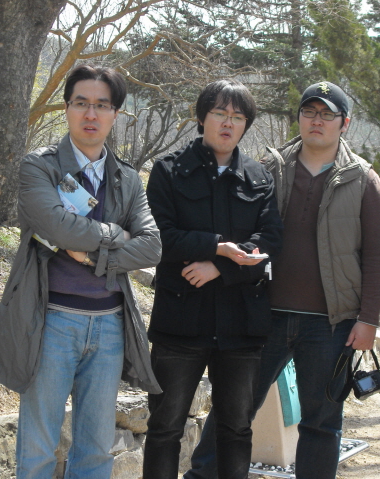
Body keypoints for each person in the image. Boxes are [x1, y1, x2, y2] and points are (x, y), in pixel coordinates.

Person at [185, 81, 380, 479]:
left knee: (321, 423)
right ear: (299, 117)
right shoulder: (270, 168)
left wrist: (368, 320)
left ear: (344, 123)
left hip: (331, 324)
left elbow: (377, 256)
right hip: (264, 314)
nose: (317, 120)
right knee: (233, 409)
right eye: (309, 111)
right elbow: (241, 231)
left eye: (327, 114)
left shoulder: (364, 180)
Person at [0, 64, 162, 479]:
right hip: (51, 321)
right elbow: (57, 226)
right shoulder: (39, 167)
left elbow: (152, 245)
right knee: (38, 448)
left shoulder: (128, 179)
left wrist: (95, 257)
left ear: (116, 113)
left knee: (96, 449)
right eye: (81, 103)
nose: (90, 114)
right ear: (66, 108)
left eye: (102, 105)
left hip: (110, 325)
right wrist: (115, 234)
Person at [144, 79, 284, 479]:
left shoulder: (259, 177)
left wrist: (220, 266)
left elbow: (271, 240)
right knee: (165, 427)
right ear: (202, 117)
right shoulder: (169, 171)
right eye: (219, 113)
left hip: (240, 323)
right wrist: (218, 247)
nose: (227, 123)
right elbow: (159, 237)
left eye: (237, 117)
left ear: (246, 125)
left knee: (236, 429)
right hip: (180, 319)